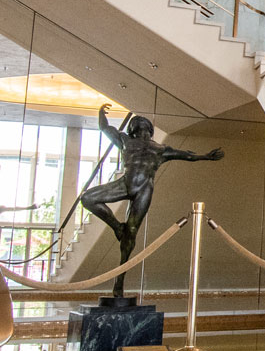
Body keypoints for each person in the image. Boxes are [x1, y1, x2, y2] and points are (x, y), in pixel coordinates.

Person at [81, 105, 224, 294]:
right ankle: (117, 227)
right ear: (132, 129)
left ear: (148, 129)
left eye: (142, 123)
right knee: (87, 198)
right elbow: (106, 129)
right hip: (125, 183)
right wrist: (101, 115)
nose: (139, 126)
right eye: (136, 123)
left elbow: (186, 155)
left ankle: (119, 284)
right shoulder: (125, 140)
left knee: (130, 235)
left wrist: (205, 156)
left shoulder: (160, 148)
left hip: (144, 190)